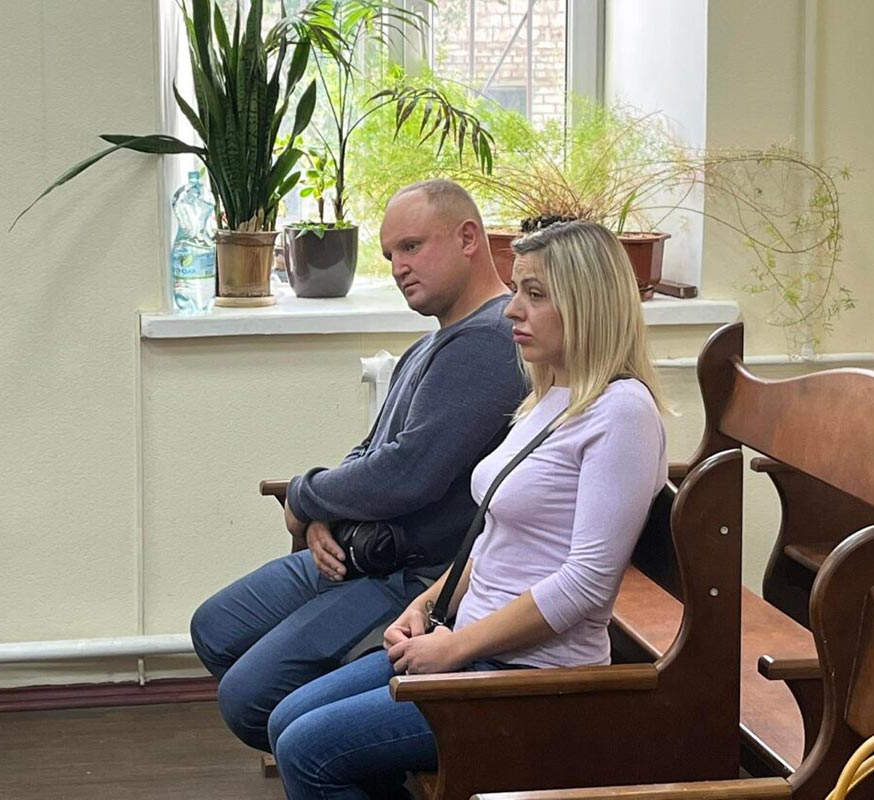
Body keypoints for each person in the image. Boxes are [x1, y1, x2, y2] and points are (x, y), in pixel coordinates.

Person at [268, 219, 670, 799]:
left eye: (535, 295)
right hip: (471, 643)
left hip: (531, 676)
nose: (511, 309)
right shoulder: (549, 396)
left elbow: (585, 584)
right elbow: (497, 542)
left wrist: (453, 647)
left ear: (588, 305)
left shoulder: (622, 413)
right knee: (286, 722)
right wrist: (427, 605)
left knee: (309, 752)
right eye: (517, 290)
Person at [190, 180, 528, 753]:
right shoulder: (437, 339)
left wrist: (304, 495)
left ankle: (342, 747)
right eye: (390, 253)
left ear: (469, 238)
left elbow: (407, 475)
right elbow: (370, 452)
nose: (398, 267)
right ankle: (328, 732)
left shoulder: (490, 342)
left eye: (413, 246)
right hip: (353, 545)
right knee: (215, 628)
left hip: (411, 575)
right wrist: (320, 515)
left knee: (248, 699)